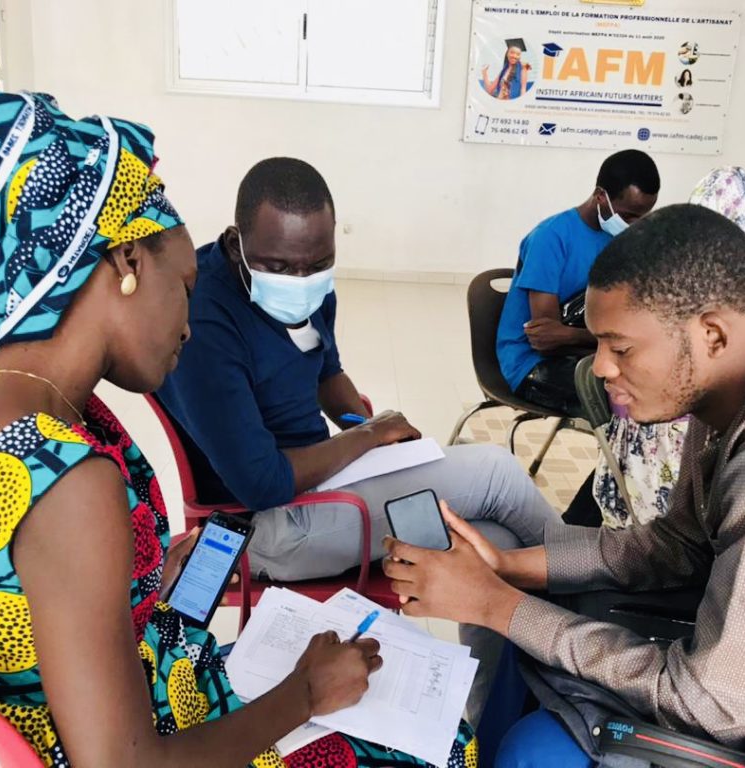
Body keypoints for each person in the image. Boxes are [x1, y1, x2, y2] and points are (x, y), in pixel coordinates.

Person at [0, 91, 474, 768]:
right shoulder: (68, 480)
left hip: (108, 688)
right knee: (448, 742)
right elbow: (126, 765)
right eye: (185, 285)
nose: (189, 323)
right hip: (149, 731)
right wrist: (303, 693)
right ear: (128, 263)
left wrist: (133, 583)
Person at [385, 204, 745, 767]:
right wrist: (512, 570)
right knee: (528, 620)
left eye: (620, 347)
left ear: (712, 333)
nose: (600, 368)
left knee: (534, 751)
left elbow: (718, 703)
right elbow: (679, 543)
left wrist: (495, 605)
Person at [156, 156, 559, 722]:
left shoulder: (312, 283)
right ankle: (590, 614)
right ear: (238, 241)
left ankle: (491, 719)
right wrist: (369, 434)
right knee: (495, 473)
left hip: (324, 486)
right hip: (268, 525)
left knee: (489, 541)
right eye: (279, 265)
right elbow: (261, 481)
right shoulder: (207, 319)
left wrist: (363, 427)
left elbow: (327, 372)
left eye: (317, 263)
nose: (301, 282)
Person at [574, 166, 745, 529]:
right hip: (642, 522)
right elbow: (662, 547)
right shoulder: (698, 381)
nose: (600, 367)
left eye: (620, 350)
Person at [495, 149, 659, 416]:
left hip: (591, 355)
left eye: (643, 217)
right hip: (532, 366)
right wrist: (616, 341)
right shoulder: (550, 238)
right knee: (632, 398)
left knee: (664, 384)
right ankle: (619, 458)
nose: (634, 225)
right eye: (628, 216)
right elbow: (547, 341)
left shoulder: (622, 244)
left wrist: (596, 338)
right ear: (599, 197)